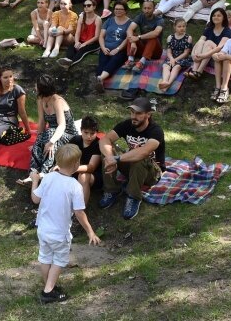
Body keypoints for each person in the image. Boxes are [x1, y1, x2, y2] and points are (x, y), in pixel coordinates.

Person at [30, 143, 100, 305]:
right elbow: (79, 212)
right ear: (77, 164)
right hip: (59, 233)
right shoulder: (75, 186)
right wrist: (90, 231)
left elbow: (35, 199)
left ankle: (49, 286)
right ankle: (48, 292)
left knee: (45, 257)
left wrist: (34, 181)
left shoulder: (48, 177)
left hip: (42, 229)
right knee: (59, 260)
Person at [98, 97, 165, 220]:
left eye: (138, 113)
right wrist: (109, 157)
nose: (134, 116)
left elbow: (143, 152)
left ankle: (133, 197)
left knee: (139, 157)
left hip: (152, 172)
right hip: (132, 169)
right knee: (107, 150)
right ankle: (111, 190)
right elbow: (105, 139)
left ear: (148, 114)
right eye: (132, 112)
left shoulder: (156, 131)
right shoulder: (127, 124)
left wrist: (117, 159)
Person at [18, 74, 78, 184]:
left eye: (36, 86)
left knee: (50, 133)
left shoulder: (57, 101)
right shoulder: (40, 99)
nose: (35, 87)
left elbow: (62, 125)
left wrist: (51, 142)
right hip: (52, 133)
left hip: (68, 134)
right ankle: (33, 173)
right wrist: (38, 141)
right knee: (41, 137)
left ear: (41, 88)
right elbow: (41, 122)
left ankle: (44, 172)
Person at [95, 1, 133, 90]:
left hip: (120, 50)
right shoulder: (109, 20)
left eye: (120, 9)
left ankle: (100, 78)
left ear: (125, 11)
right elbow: (101, 36)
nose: (118, 11)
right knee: (102, 62)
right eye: (116, 9)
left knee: (114, 61)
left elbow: (127, 39)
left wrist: (118, 49)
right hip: (106, 48)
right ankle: (99, 79)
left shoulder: (130, 23)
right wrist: (103, 48)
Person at [186, 8, 231, 79]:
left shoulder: (227, 31)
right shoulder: (209, 28)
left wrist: (203, 55)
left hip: (218, 55)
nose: (216, 17)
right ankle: (195, 71)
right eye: (214, 15)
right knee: (202, 41)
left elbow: (219, 47)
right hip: (205, 55)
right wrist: (193, 54)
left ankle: (199, 71)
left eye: (219, 15)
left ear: (223, 18)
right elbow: (200, 42)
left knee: (208, 42)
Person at [57, 0, 102, 68]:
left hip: (93, 43)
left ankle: (70, 63)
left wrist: (84, 44)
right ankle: (67, 59)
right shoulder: (81, 17)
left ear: (94, 7)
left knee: (82, 50)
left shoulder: (98, 19)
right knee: (72, 47)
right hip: (81, 40)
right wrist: (77, 42)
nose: (86, 7)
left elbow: (96, 37)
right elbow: (77, 32)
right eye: (84, 5)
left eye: (89, 5)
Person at [122, 0, 164, 72]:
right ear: (142, 8)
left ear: (154, 9)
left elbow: (156, 33)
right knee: (132, 34)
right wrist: (133, 42)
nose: (146, 10)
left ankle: (141, 63)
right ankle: (130, 60)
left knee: (153, 37)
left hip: (156, 52)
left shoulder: (160, 20)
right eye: (145, 8)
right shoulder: (140, 17)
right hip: (143, 48)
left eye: (149, 8)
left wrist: (138, 38)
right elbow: (129, 29)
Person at [158, 18, 193, 91]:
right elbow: (168, 52)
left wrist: (175, 60)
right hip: (172, 57)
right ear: (175, 27)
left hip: (182, 58)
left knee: (176, 67)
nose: (182, 28)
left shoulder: (188, 38)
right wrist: (171, 59)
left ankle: (168, 83)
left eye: (183, 26)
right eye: (179, 26)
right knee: (165, 66)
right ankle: (165, 81)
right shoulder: (170, 37)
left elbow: (186, 53)